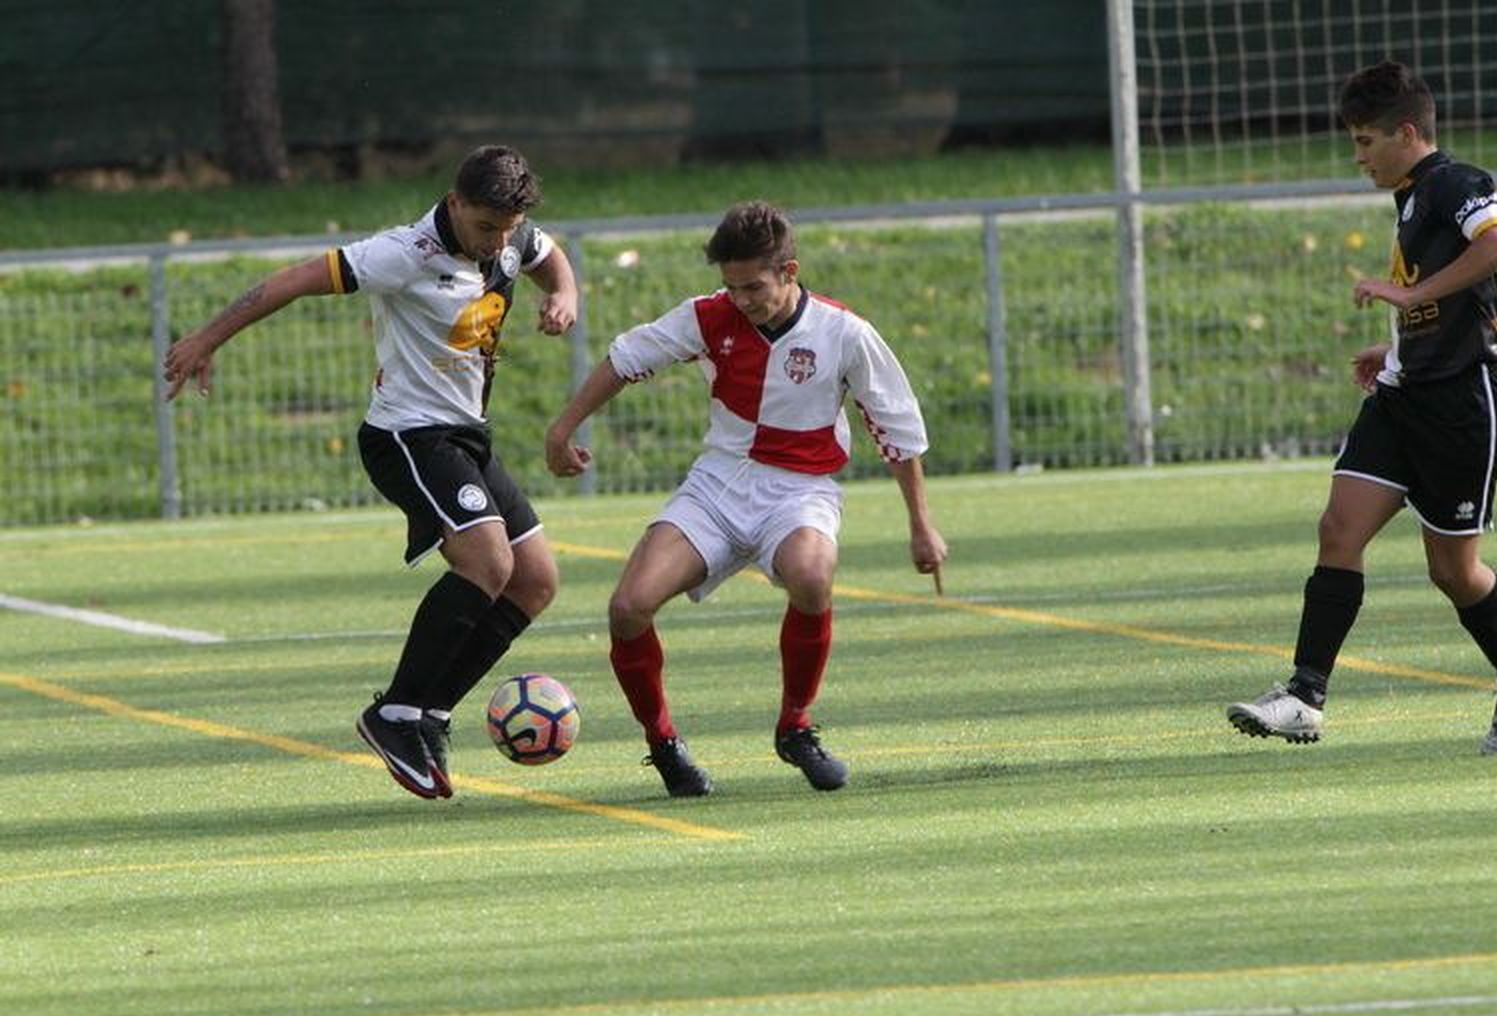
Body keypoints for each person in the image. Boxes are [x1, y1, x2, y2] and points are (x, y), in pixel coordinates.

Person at [164, 145, 579, 800]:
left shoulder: (510, 234)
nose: (496, 242)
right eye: (484, 228)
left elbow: (545, 254)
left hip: (467, 437)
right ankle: (394, 713)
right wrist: (207, 337)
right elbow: (290, 282)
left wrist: (563, 293)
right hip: (408, 437)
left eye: (505, 230)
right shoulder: (403, 254)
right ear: (454, 204)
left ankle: (428, 712)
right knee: (488, 565)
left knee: (535, 582)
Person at [544, 201, 947, 796]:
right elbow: (626, 359)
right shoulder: (707, 318)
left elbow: (897, 430)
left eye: (753, 286)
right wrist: (563, 427)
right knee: (628, 607)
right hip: (719, 484)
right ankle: (664, 744)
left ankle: (796, 726)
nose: (741, 299)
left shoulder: (845, 333)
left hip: (800, 492)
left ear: (790, 270)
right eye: (731, 286)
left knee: (811, 574)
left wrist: (921, 524)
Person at [1226, 61, 1497, 754]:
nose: (1358, 158)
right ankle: (1303, 696)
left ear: (1408, 132)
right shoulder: (1411, 196)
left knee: (1453, 572)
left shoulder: (1455, 181)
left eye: (1366, 142)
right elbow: (1441, 296)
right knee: (1338, 529)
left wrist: (1409, 296)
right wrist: (1398, 343)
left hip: (1468, 399)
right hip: (1408, 391)